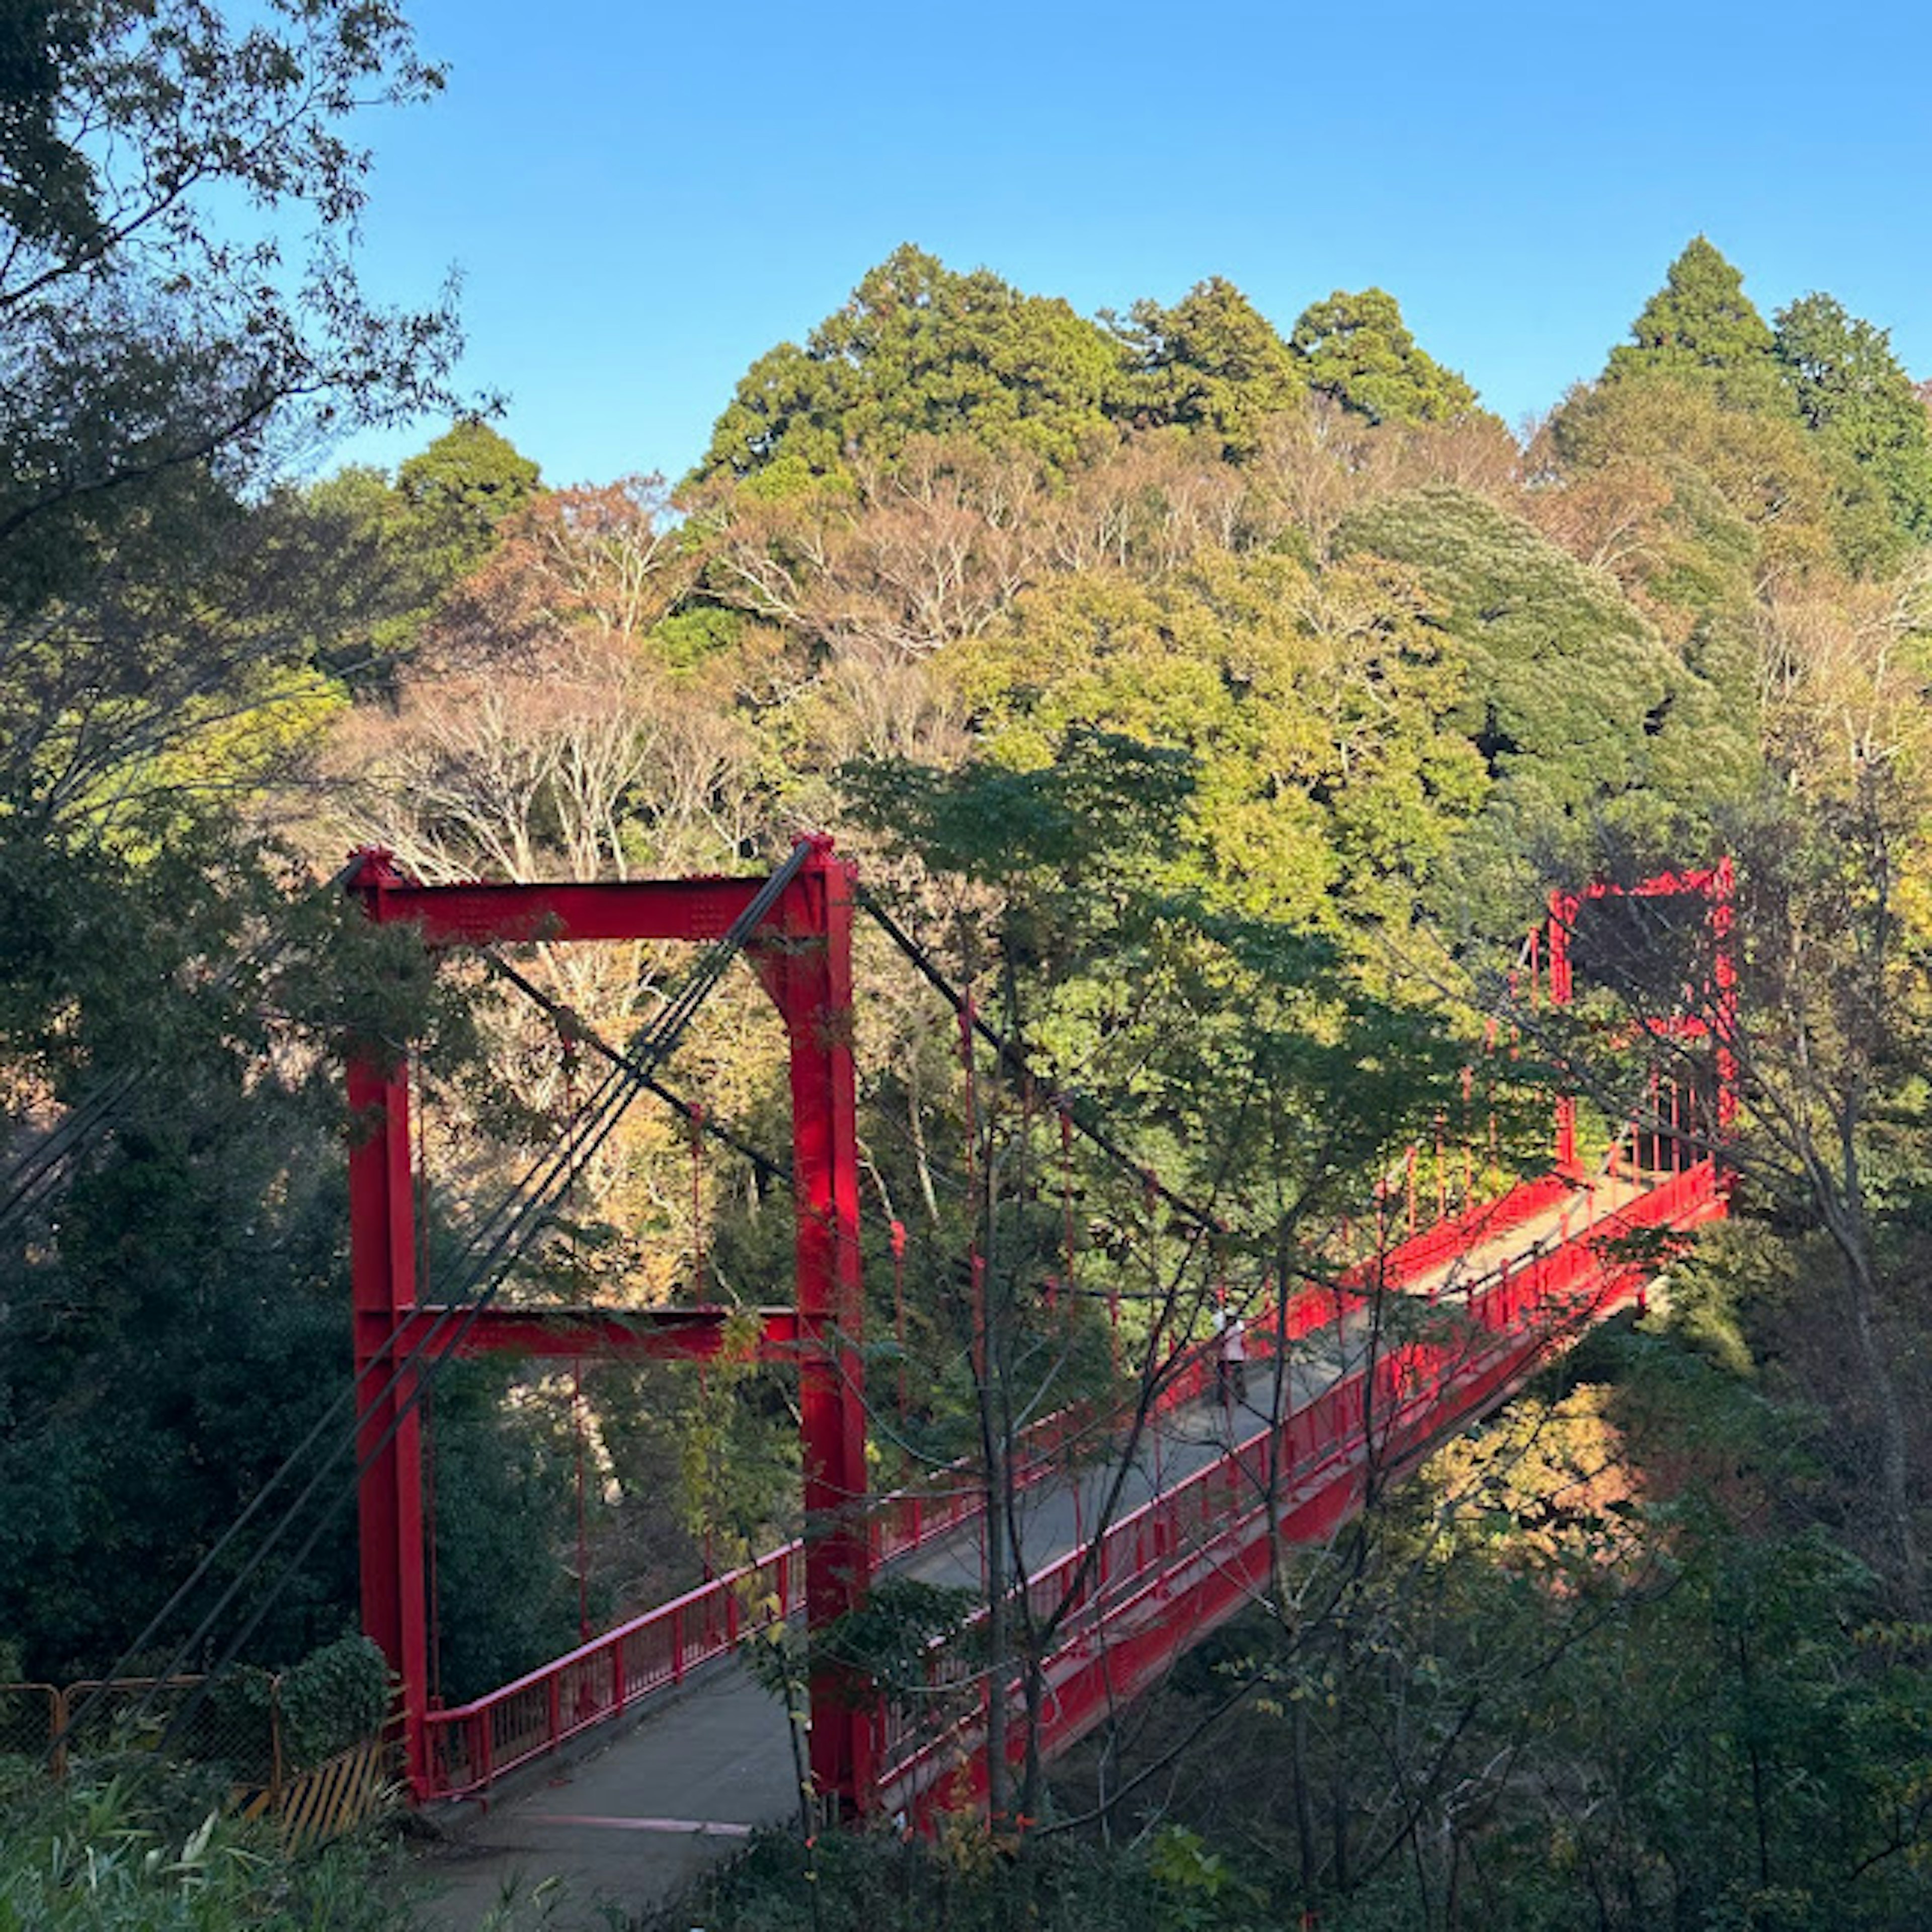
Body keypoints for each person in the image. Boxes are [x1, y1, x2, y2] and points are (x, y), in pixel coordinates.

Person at [1217, 1312, 1247, 1408]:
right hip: (1236, 1356)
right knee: (1237, 1378)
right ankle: (1239, 1396)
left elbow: (1222, 1342)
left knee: (1225, 1379)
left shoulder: (1231, 1331)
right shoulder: (1237, 1330)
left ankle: (1225, 1399)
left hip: (1230, 1357)